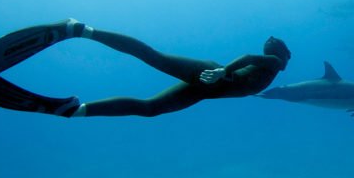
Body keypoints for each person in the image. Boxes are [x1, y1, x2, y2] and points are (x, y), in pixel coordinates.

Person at [61, 20, 291, 117]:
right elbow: (248, 57)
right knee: (154, 58)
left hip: (208, 90)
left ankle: (77, 110)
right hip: (216, 77)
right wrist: (223, 71)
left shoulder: (275, 64)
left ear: (282, 52)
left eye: (276, 41)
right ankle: (83, 30)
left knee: (150, 109)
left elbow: (251, 58)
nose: (271, 38)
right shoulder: (274, 62)